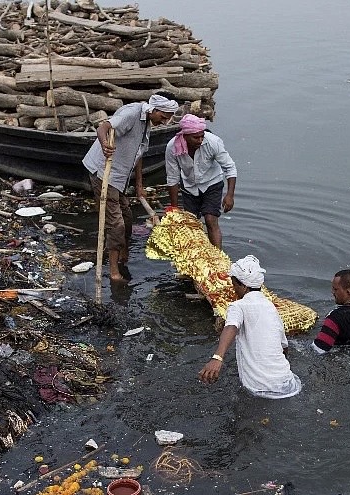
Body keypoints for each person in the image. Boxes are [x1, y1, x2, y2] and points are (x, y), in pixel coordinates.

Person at [83, 93, 178, 282]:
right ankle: (114, 272)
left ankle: (123, 254)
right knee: (116, 224)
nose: (165, 122)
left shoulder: (147, 123)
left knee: (127, 217)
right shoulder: (132, 114)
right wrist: (105, 145)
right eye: (163, 117)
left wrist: (139, 185)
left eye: (168, 118)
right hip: (104, 172)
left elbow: (138, 153)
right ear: (154, 109)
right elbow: (103, 127)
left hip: (120, 177)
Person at [198, 255, 302, 399]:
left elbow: (231, 326)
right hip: (288, 384)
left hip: (259, 388)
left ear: (244, 286)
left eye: (234, 284)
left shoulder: (238, 306)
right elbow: (284, 347)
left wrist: (217, 358)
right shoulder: (270, 306)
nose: (233, 289)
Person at [164, 114, 237, 249]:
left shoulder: (213, 142)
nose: (200, 140)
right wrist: (174, 208)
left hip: (212, 183)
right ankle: (198, 255)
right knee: (192, 224)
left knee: (210, 219)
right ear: (185, 136)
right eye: (196, 137)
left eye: (202, 136)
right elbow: (172, 178)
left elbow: (230, 168)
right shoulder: (172, 147)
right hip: (189, 186)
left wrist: (230, 195)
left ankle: (217, 256)